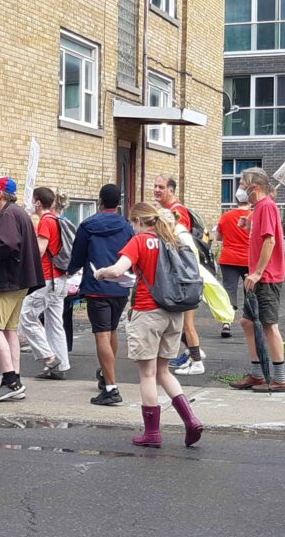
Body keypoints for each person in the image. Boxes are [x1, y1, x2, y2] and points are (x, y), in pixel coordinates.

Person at [94, 202, 204, 448]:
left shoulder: (140, 241)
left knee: (147, 374)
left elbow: (118, 270)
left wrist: (101, 273)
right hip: (174, 312)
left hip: (147, 311)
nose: (132, 228)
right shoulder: (172, 240)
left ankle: (152, 433)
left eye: (132, 223)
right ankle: (191, 419)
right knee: (164, 372)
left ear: (138, 221)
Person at [0, 176, 45, 402]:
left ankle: (10, 381)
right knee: (9, 330)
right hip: (21, 281)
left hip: (5, 282)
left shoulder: (8, 214)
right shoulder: (20, 213)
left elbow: (7, 243)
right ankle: (15, 379)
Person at [67, 183, 135, 406]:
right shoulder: (126, 226)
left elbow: (77, 256)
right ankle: (107, 375)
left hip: (97, 286)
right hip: (121, 286)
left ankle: (111, 388)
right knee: (113, 331)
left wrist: (70, 272)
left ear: (100, 201)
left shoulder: (88, 225)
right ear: (119, 202)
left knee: (102, 335)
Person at [229, 168, 285, 392]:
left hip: (266, 277)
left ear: (255, 187)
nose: (240, 187)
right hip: (261, 275)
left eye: (243, 183)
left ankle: (280, 378)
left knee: (269, 325)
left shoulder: (266, 207)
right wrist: (249, 225)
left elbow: (269, 241)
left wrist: (257, 273)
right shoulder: (260, 208)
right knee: (248, 322)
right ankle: (257, 373)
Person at [154, 174, 206, 375]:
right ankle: (193, 355)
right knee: (181, 323)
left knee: (187, 324)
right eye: (156, 186)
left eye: (161, 187)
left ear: (171, 191)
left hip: (184, 278)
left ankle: (197, 360)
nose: (157, 190)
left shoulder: (177, 212)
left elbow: (175, 244)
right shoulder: (167, 211)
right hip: (182, 277)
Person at [18, 187, 72, 379]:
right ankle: (60, 366)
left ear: (38, 202)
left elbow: (39, 251)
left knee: (26, 317)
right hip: (60, 279)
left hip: (47, 279)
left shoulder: (45, 222)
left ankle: (49, 358)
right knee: (55, 323)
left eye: (33, 201)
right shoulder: (57, 219)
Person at [214, 186, 252, 339]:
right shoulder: (253, 215)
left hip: (228, 258)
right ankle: (251, 320)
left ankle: (226, 323)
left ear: (236, 200)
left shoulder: (226, 216)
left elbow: (218, 237)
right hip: (248, 258)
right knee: (250, 290)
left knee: (229, 290)